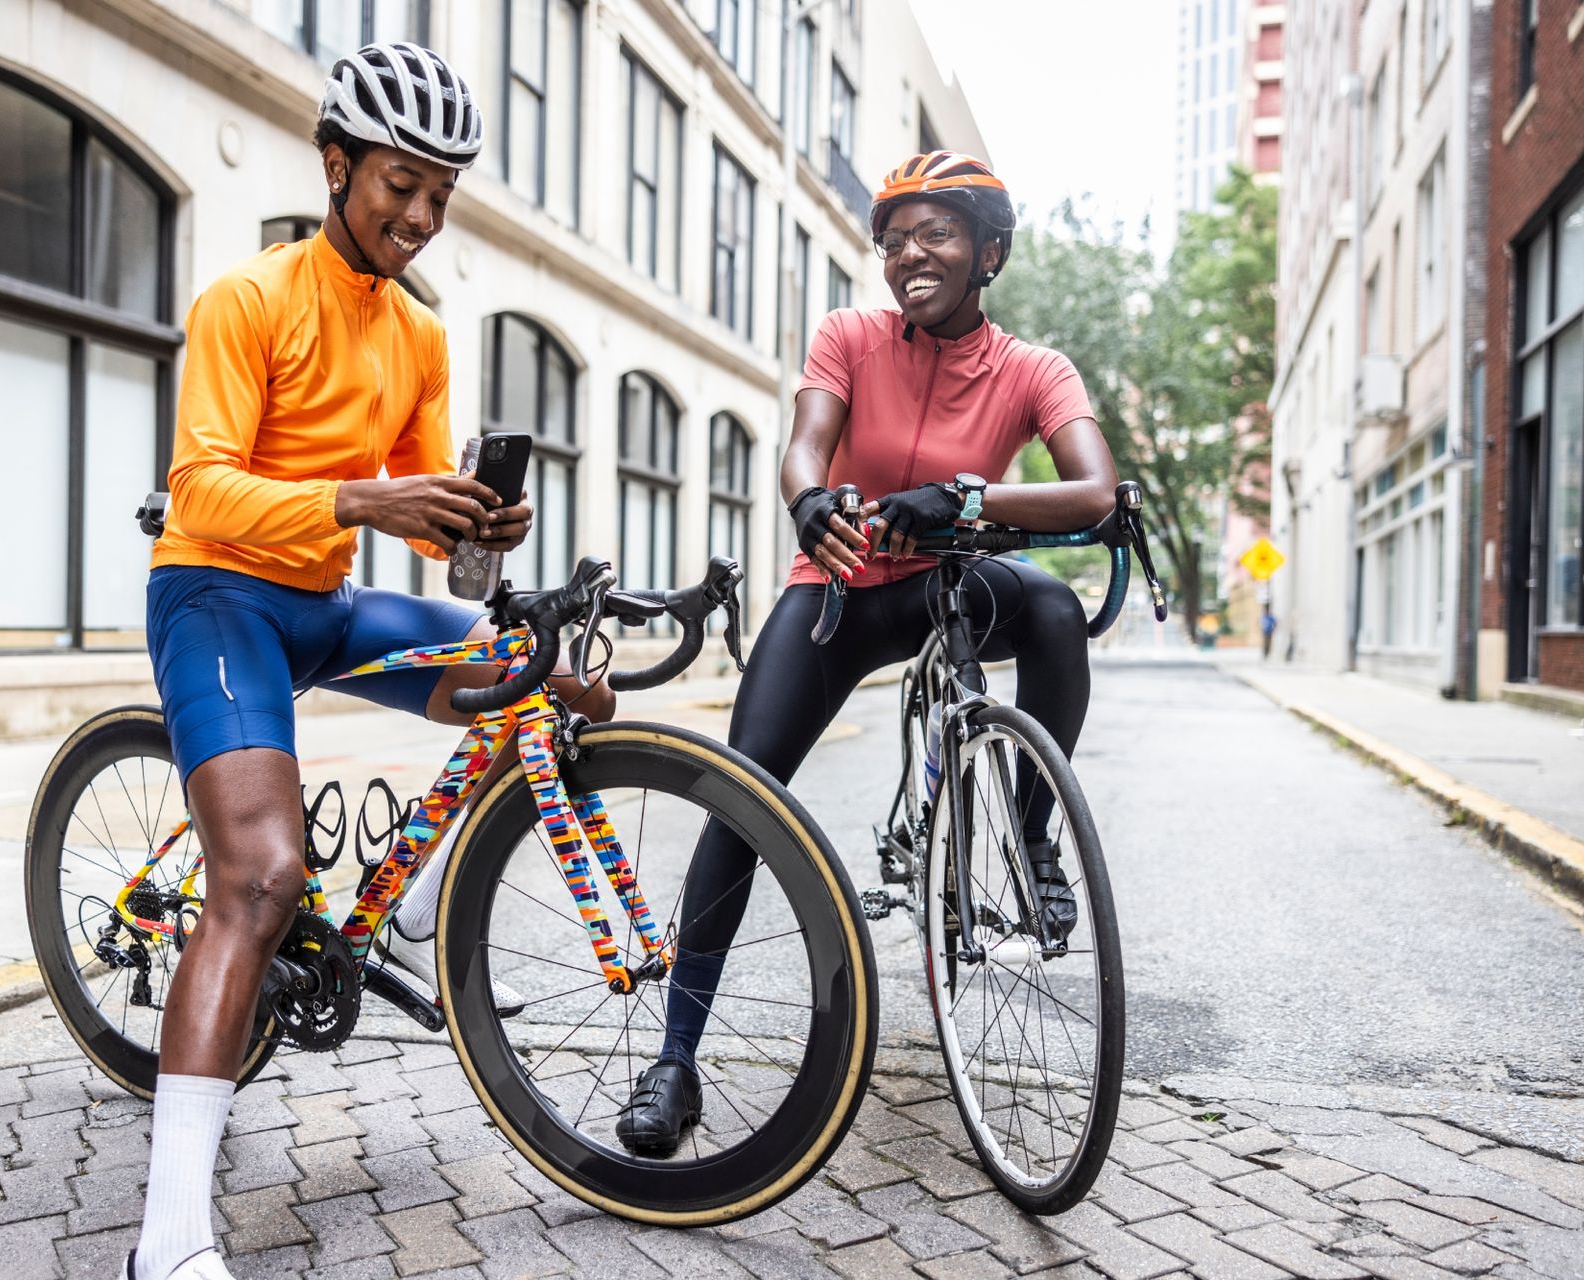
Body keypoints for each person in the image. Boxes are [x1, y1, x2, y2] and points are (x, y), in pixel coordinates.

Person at [129, 43, 610, 1280]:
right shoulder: (248, 298)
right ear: (336, 163)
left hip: (328, 602)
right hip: (216, 591)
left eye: (441, 195)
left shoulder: (423, 337)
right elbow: (205, 485)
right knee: (262, 872)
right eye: (402, 182)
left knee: (531, 669)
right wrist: (369, 500)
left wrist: (473, 529)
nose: (420, 215)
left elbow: (428, 530)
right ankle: (167, 1239)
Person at [614, 152, 1118, 1156]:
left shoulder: (1033, 369)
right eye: (893, 240)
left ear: (989, 252)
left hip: (951, 581)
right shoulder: (849, 335)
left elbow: (1095, 493)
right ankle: (673, 1058)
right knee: (741, 792)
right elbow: (807, 445)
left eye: (934, 234)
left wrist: (967, 501)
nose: (908, 254)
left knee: (1057, 609)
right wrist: (810, 501)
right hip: (840, 591)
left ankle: (1032, 835)